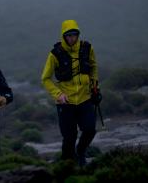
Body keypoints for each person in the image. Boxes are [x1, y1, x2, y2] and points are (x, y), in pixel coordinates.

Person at [41, 20, 102, 166]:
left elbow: (93, 67)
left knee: (90, 130)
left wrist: (95, 87)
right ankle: (67, 165)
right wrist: (58, 94)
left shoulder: (87, 48)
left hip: (85, 98)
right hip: (65, 102)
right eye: (68, 35)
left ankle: (80, 152)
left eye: (74, 35)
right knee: (69, 137)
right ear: (64, 36)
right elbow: (45, 78)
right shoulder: (55, 54)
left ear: (78, 34)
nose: (72, 38)